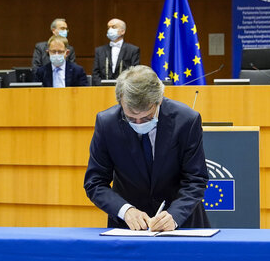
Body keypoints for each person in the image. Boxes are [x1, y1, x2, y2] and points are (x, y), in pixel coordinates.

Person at [84, 65, 209, 231]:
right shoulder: (107, 123)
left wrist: (175, 215)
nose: (138, 123)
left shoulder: (186, 120)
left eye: (146, 118)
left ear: (158, 101)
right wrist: (125, 210)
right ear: (120, 101)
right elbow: (95, 182)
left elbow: (196, 179)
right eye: (131, 118)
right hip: (129, 227)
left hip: (181, 224)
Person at [91, 18, 141, 86]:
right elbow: (95, 73)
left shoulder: (133, 50)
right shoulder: (99, 51)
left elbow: (135, 72)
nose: (110, 30)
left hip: (124, 90)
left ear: (122, 31)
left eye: (113, 27)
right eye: (108, 27)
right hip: (103, 90)